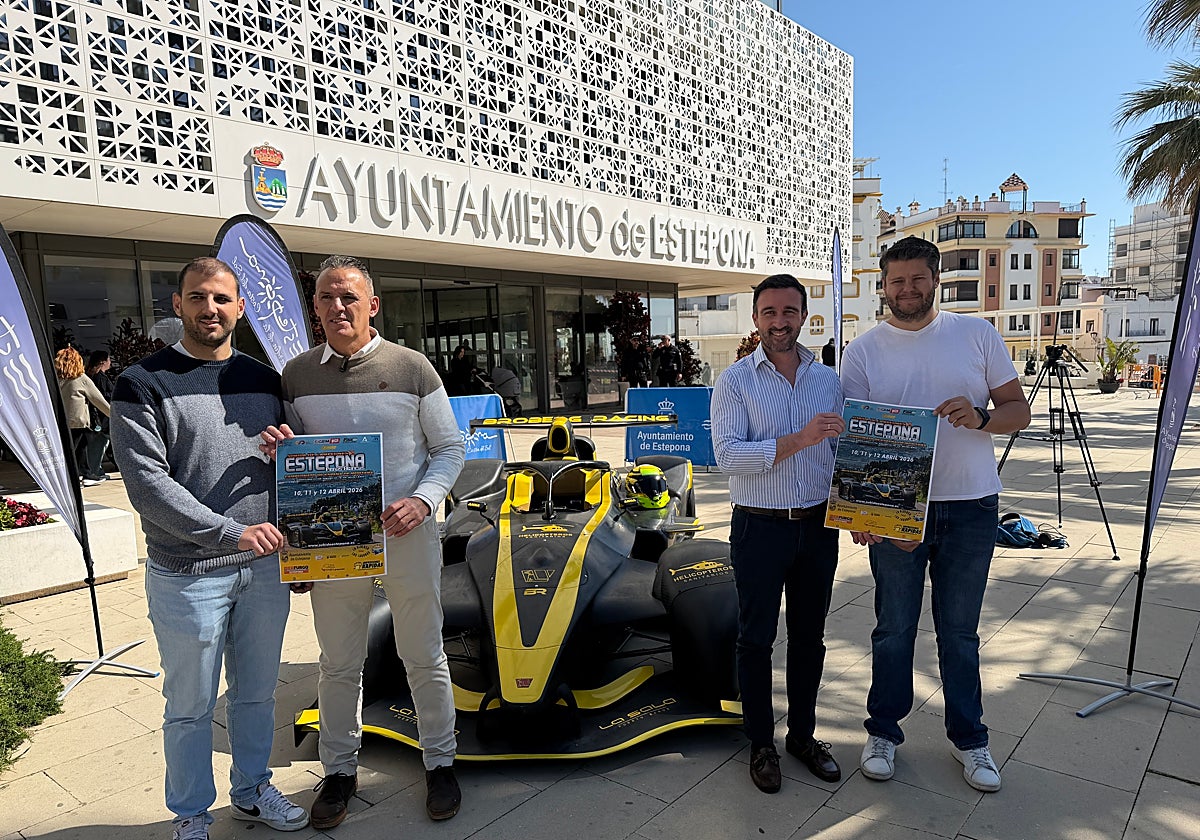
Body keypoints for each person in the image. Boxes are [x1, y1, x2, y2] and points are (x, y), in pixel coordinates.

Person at [259, 255, 465, 827]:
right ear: (315, 307)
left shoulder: (414, 368)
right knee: (339, 661)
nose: (338, 306)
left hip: (406, 533)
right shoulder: (297, 376)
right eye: (327, 297)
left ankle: (441, 762)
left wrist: (423, 500)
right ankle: (340, 771)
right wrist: (280, 450)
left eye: (349, 296)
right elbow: (296, 463)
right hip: (333, 543)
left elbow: (450, 449)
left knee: (423, 652)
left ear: (373, 305)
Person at [110, 257, 307, 840]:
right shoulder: (142, 382)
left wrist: (286, 456)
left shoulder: (264, 380)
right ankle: (191, 813)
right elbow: (147, 486)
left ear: (240, 307)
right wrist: (230, 533)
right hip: (187, 573)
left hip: (265, 569)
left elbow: (296, 470)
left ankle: (251, 789)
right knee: (190, 703)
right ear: (178, 305)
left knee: (256, 692)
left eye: (222, 299)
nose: (210, 309)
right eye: (198, 298)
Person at [841, 236, 1031, 794]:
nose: (907, 289)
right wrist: (865, 514)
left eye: (917, 279)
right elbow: (856, 437)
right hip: (898, 512)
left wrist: (980, 416)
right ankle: (882, 732)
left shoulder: (977, 334)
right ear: (884, 285)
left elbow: (1017, 411)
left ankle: (970, 740)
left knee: (960, 632)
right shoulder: (864, 349)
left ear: (936, 280)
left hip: (971, 505)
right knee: (893, 629)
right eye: (897, 281)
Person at [711, 274, 845, 794]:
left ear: (804, 316)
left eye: (789, 311)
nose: (779, 321)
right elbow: (729, 456)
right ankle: (761, 742)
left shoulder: (828, 379)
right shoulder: (736, 381)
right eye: (769, 312)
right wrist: (800, 438)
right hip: (759, 528)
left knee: (810, 638)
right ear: (755, 318)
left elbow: (840, 456)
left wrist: (861, 514)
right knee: (756, 638)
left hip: (816, 527)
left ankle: (803, 736)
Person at [55, 346, 110, 486]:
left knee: (77, 449)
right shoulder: (80, 378)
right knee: (76, 450)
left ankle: (84, 474)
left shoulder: (55, 379)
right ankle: (76, 477)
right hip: (77, 421)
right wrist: (114, 415)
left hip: (59, 421)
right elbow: (98, 400)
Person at [86, 349, 115, 475]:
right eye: (109, 359)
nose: (110, 362)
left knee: (101, 443)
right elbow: (102, 396)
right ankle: (94, 470)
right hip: (103, 416)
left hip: (101, 416)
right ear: (103, 362)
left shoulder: (94, 376)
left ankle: (95, 469)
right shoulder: (99, 377)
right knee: (100, 443)